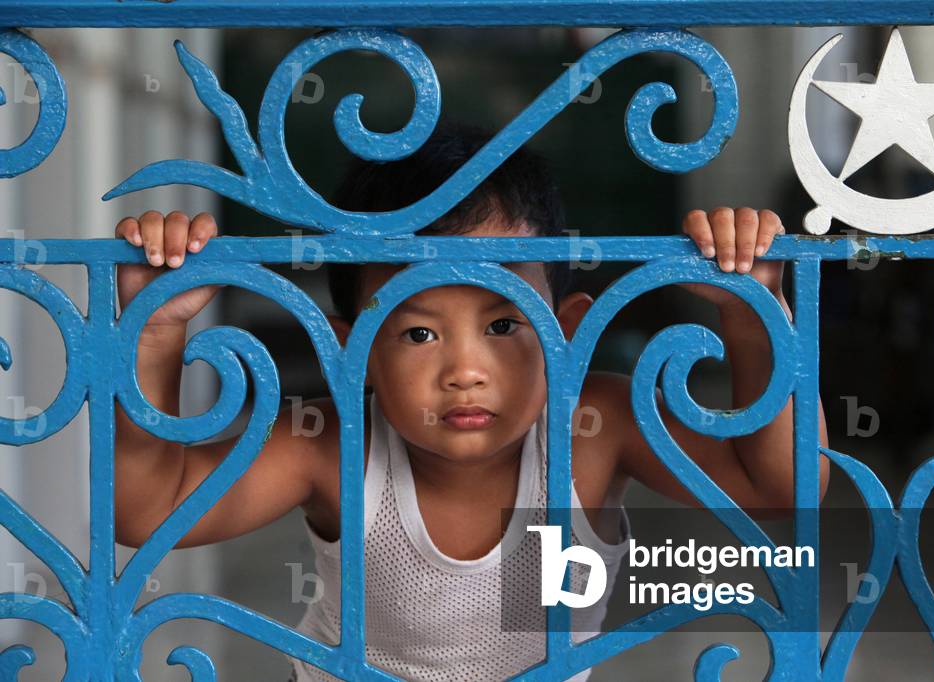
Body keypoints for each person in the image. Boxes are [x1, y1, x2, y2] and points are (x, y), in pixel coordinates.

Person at [113, 121, 830, 682]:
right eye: (418, 332)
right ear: (352, 350)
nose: (465, 371)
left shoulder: (593, 429)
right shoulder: (329, 444)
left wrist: (754, 313)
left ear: (567, 332)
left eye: (503, 324)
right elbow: (147, 511)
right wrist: (153, 334)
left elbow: (782, 490)